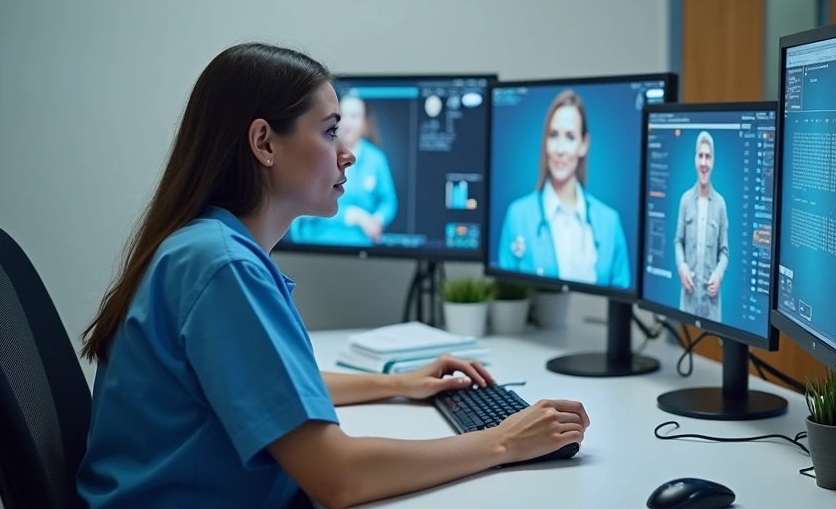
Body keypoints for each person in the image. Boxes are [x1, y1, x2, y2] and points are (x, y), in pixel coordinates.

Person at [76, 43, 589, 509]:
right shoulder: (221, 266)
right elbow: (338, 479)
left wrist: (397, 384)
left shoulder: (206, 245)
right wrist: (502, 441)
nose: (349, 152)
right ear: (264, 142)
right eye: (329, 132)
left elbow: (265, 385)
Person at [496, 90, 630, 288]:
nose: (560, 149)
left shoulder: (610, 222)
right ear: (545, 142)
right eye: (553, 135)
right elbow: (507, 300)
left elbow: (622, 303)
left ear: (583, 145)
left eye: (570, 137)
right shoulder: (518, 216)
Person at [287, 93, 398, 246]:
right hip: (318, 245)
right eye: (343, 116)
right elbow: (302, 204)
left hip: (362, 246)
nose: (347, 123)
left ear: (365, 123)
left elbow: (389, 200)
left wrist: (377, 220)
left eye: (354, 116)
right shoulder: (318, 153)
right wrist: (353, 216)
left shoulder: (376, 159)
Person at [674, 131, 728, 322]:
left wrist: (718, 274)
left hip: (711, 308)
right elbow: (678, 241)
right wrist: (681, 267)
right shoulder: (685, 201)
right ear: (695, 159)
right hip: (687, 304)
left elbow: (724, 252)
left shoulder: (720, 204)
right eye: (701, 156)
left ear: (713, 161)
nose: (704, 163)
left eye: (708, 157)